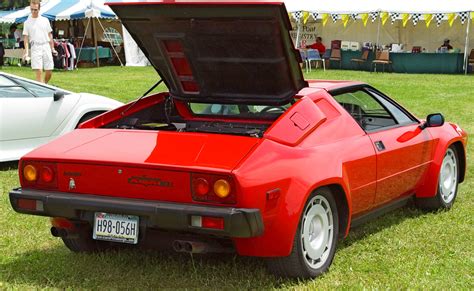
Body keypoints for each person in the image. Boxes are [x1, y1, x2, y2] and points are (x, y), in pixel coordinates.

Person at [22, 0, 57, 84]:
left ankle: (43, 85)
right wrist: (26, 52)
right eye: (32, 9)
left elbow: (50, 35)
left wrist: (52, 48)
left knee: (49, 71)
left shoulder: (45, 20)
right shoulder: (27, 22)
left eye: (35, 10)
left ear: (39, 9)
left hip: (46, 46)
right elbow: (26, 38)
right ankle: (41, 89)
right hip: (35, 47)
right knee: (39, 71)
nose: (33, 11)